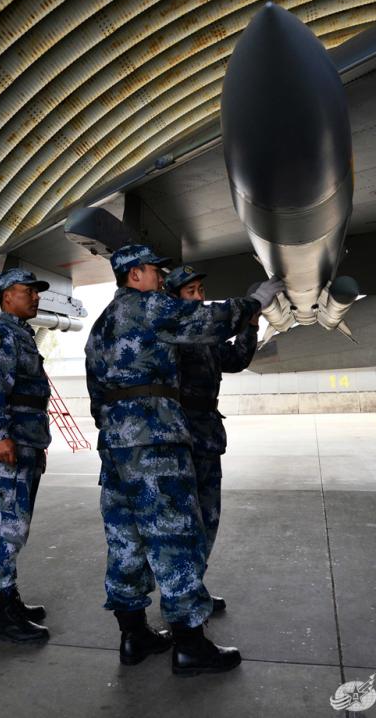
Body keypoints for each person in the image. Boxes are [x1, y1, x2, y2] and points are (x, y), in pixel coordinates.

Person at [84, 244, 284, 676]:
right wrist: (254, 302)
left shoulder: (101, 324)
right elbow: (209, 320)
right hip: (156, 441)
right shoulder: (148, 307)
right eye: (155, 271)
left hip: (116, 444)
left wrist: (116, 428)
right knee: (174, 536)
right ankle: (190, 644)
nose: (160, 278)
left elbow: (96, 391)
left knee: (126, 539)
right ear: (135, 274)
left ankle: (133, 634)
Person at [164, 265, 260, 612]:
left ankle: (194, 588)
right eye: (191, 292)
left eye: (201, 290)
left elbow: (235, 359)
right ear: (173, 298)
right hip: (180, 437)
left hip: (206, 435)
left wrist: (250, 326)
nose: (200, 296)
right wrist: (243, 309)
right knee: (183, 524)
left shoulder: (204, 338)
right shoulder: (173, 332)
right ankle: (180, 596)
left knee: (208, 520)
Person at [0, 268, 52, 644]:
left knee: (14, 525)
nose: (35, 297)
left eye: (36, 292)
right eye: (28, 291)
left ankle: (7, 598)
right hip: (8, 443)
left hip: (24, 443)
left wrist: (36, 446)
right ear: (7, 296)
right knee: (2, 525)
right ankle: (0, 614)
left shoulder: (21, 336)